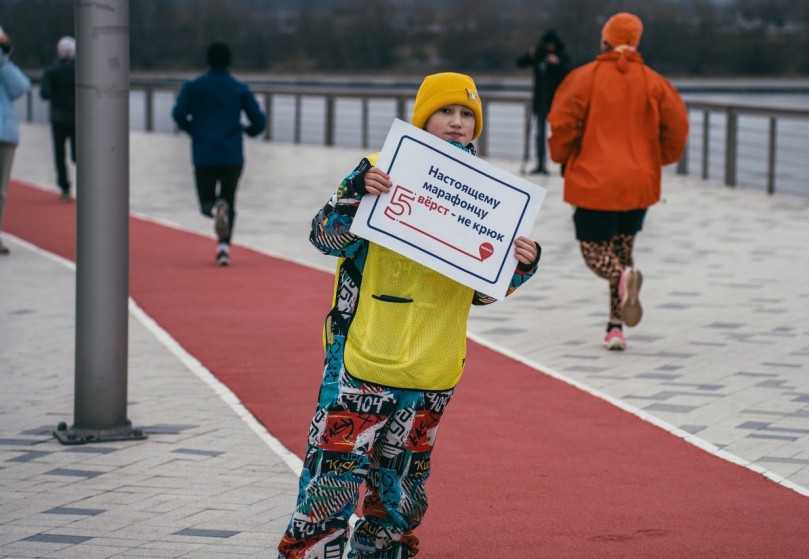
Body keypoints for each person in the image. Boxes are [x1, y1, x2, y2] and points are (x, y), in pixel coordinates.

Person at [276, 72, 541, 559]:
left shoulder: (492, 199)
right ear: (423, 117)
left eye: (467, 115)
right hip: (362, 352)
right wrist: (356, 195)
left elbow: (482, 295)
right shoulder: (379, 168)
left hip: (433, 358)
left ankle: (382, 551)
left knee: (402, 483)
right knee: (333, 473)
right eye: (446, 112)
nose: (457, 123)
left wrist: (520, 266)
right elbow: (324, 237)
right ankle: (313, 550)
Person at [547, 12, 688, 351]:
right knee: (624, 253)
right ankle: (615, 327)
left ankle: (622, 287)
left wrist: (563, 156)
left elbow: (562, 122)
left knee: (595, 252)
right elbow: (678, 127)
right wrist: (660, 159)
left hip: (595, 181)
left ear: (604, 40)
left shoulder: (584, 77)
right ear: (636, 41)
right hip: (638, 182)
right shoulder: (655, 82)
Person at [172, 42, 266, 266]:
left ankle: (215, 209)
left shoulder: (193, 87)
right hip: (232, 154)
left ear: (208, 60)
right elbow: (259, 121)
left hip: (204, 154)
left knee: (207, 201)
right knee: (230, 200)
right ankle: (223, 249)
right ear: (229, 61)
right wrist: (247, 131)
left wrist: (193, 130)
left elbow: (178, 114)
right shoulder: (239, 88)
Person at [516, 30, 571, 175]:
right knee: (539, 133)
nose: (550, 48)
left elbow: (570, 73)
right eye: (548, 45)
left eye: (552, 45)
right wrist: (530, 54)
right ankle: (540, 163)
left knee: (560, 133)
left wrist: (558, 63)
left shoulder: (561, 56)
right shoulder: (539, 55)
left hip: (557, 101)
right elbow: (520, 63)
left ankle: (563, 164)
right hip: (540, 100)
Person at [0, 25, 31, 255]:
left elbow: (21, 86)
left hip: (5, 132)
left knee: (1, 190)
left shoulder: (4, 69)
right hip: (5, 131)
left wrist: (3, 60)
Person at [40, 36, 76, 202]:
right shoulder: (82, 70)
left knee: (59, 153)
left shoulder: (51, 71)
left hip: (59, 118)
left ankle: (65, 188)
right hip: (79, 118)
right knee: (80, 154)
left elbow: (45, 94)